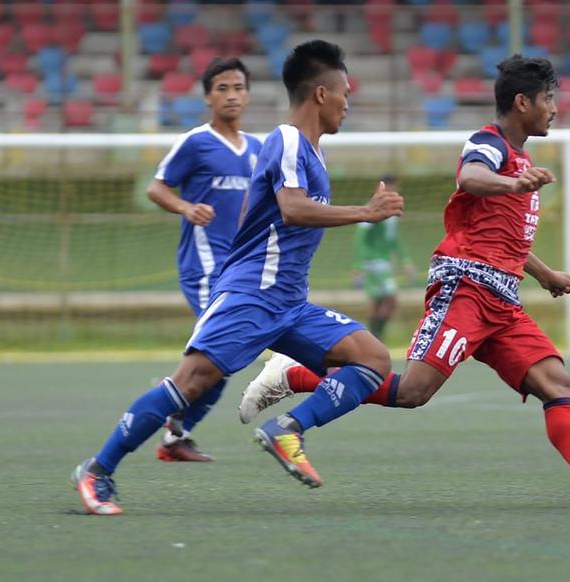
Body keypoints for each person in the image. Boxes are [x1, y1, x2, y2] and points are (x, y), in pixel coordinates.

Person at [240, 55, 570, 509]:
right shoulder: (490, 144)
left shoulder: (520, 159)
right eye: (548, 99)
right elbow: (471, 176)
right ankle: (295, 375)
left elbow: (505, 239)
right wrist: (514, 184)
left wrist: (545, 275)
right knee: (412, 392)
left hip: (501, 302)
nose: (554, 108)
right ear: (522, 103)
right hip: (465, 289)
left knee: (558, 384)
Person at [71, 39, 404, 515]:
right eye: (345, 93)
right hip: (253, 296)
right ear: (321, 95)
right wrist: (365, 213)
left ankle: (286, 429)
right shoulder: (288, 139)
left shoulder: (306, 151)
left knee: (371, 357)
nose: (349, 104)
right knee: (190, 385)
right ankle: (97, 471)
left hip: (288, 302)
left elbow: (258, 209)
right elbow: (290, 210)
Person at [145, 57, 262, 462]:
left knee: (224, 360)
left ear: (248, 95)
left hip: (241, 270)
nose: (232, 96)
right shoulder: (196, 142)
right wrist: (185, 207)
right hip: (205, 269)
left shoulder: (259, 149)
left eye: (239, 88)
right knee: (218, 354)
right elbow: (156, 188)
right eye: (223, 88)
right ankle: (161, 410)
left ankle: (175, 435)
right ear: (208, 96)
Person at [351, 175, 416, 340]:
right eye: (390, 188)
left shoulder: (392, 212)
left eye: (395, 189)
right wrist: (359, 265)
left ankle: (372, 337)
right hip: (373, 262)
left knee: (378, 301)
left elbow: (393, 239)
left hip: (384, 261)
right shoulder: (372, 208)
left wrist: (405, 261)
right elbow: (360, 237)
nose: (394, 192)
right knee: (390, 298)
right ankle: (376, 335)